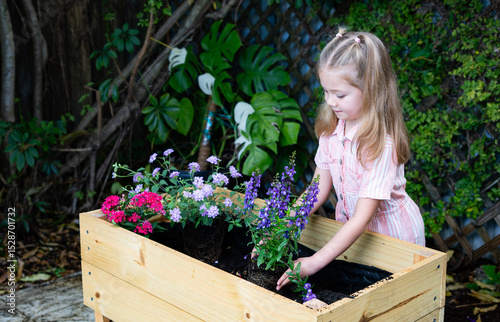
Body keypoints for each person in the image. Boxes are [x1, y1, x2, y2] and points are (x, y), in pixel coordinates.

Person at [276, 27, 426, 291]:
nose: (331, 102)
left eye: (341, 95)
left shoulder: (380, 143)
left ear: (371, 89)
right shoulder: (332, 129)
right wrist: (280, 230)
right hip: (353, 237)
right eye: (326, 91)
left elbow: (362, 218)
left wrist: (313, 262)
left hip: (394, 241)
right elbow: (316, 190)